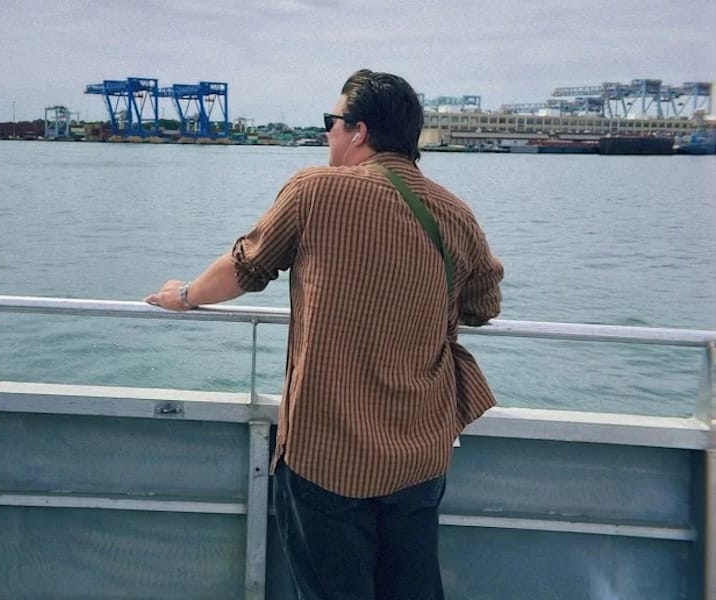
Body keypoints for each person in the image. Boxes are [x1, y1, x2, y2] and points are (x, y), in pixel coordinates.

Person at [144, 69, 503, 600]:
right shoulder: (455, 214)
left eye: (331, 122)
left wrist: (184, 294)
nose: (326, 133)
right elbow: (483, 306)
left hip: (326, 453)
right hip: (419, 454)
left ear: (359, 132)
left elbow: (246, 268)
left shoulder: (314, 191)